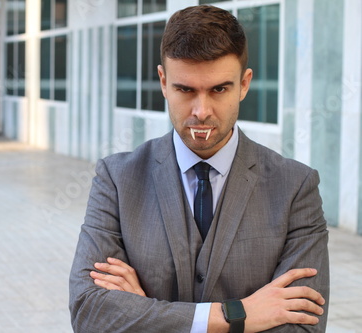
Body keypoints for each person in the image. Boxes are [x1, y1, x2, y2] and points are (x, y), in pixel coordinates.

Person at [69, 5, 329, 333]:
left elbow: (303, 327)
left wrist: (144, 313)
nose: (202, 111)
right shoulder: (117, 179)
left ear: (244, 84)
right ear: (163, 81)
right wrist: (238, 315)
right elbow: (89, 313)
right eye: (185, 89)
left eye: (219, 89)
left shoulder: (295, 186)